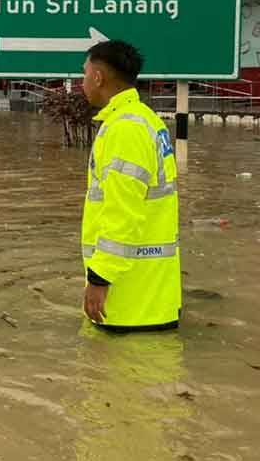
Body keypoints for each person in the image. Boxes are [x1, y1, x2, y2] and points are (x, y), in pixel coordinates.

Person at [80, 40, 180, 332]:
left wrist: (99, 278)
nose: (82, 81)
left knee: (115, 376)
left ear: (98, 77)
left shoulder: (126, 129)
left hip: (129, 303)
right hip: (149, 295)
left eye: (84, 73)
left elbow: (123, 211)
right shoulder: (144, 119)